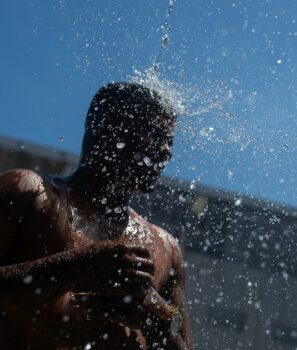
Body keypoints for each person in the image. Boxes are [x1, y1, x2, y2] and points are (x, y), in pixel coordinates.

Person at [0, 83, 192, 350]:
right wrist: (72, 269)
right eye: (154, 133)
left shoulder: (168, 249)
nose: (166, 151)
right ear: (105, 125)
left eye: (169, 141)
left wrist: (156, 318)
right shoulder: (29, 193)